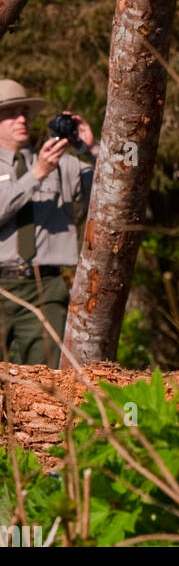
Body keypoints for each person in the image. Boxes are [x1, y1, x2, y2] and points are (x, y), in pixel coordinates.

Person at [0, 80, 98, 366]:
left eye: (25, 113)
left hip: (45, 288)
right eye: (11, 113)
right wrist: (37, 174)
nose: (22, 119)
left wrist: (90, 150)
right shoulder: (45, 165)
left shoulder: (62, 163)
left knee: (48, 382)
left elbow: (113, 195)